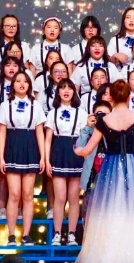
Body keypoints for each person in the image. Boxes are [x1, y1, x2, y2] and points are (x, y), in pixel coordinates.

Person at [74, 80, 134, 263]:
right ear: (129, 96)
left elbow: (87, 150)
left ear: (112, 98)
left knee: (110, 210)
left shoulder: (104, 121)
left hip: (111, 168)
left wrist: (77, 150)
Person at [0, 72, 46, 246]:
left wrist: (43, 157)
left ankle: (26, 235)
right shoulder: (5, 105)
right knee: (14, 194)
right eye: (18, 81)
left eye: (25, 81)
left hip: (30, 146)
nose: (22, 84)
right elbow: (2, 133)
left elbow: (40, 132)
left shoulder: (36, 105)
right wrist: (1, 157)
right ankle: (11, 235)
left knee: (28, 194)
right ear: (13, 85)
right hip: (12, 146)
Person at [44, 79, 86, 246]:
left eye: (69, 88)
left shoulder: (81, 113)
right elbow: (48, 140)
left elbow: (86, 136)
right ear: (58, 92)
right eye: (62, 88)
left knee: (73, 197)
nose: (66, 91)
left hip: (76, 150)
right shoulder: (52, 113)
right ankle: (57, 233)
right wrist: (47, 160)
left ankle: (72, 234)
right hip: (59, 150)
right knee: (60, 197)